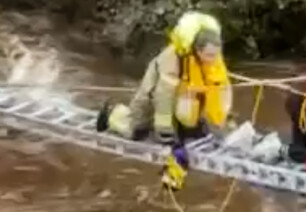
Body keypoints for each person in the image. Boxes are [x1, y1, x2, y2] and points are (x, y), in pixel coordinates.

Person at [96, 11, 233, 145]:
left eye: (216, 54)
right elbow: (164, 94)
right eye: (209, 55)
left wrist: (223, 124)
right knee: (136, 131)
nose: (213, 59)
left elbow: (220, 93)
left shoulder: (214, 63)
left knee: (196, 132)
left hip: (185, 104)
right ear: (197, 49)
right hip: (154, 98)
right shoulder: (173, 58)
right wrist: (164, 129)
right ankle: (112, 114)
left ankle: (185, 125)